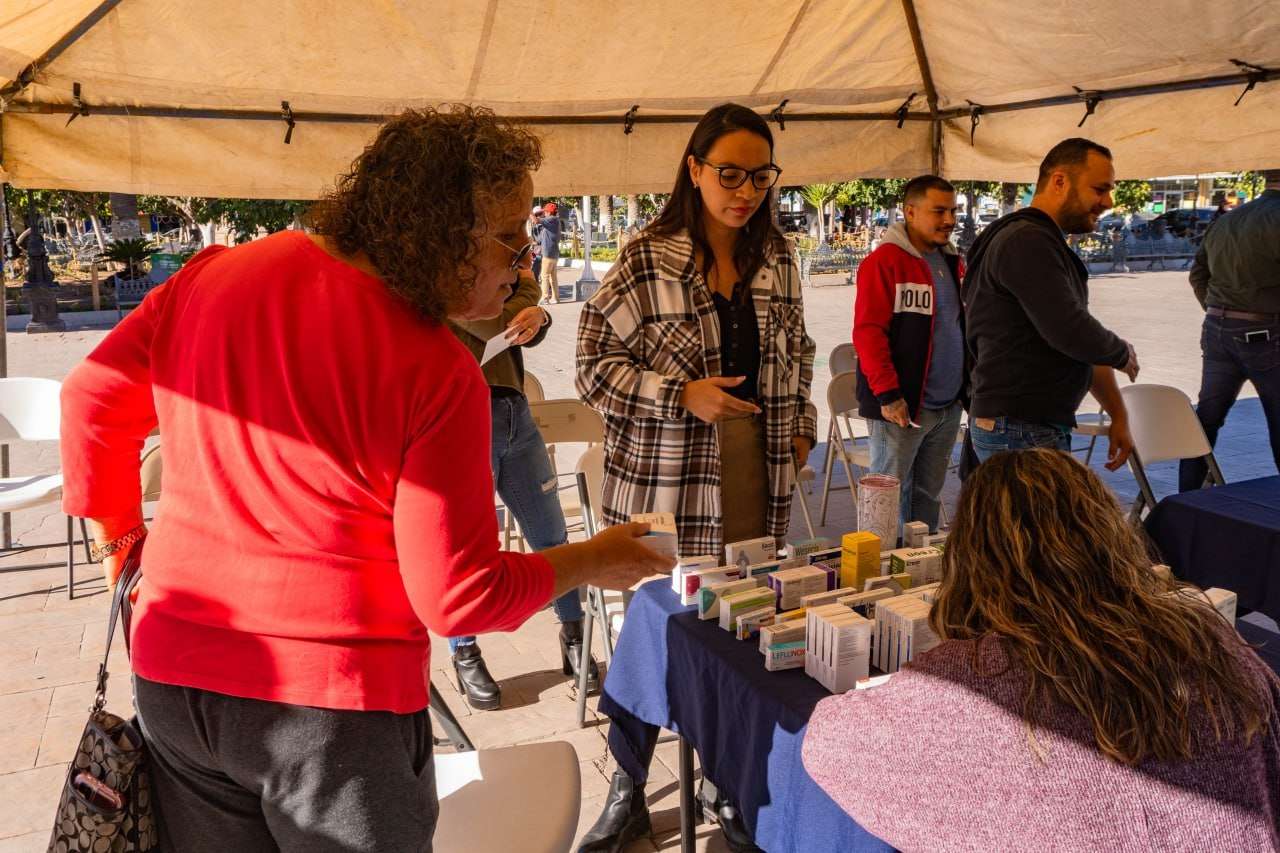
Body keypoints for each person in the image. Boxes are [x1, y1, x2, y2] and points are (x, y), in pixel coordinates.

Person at [58, 105, 673, 853]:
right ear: (443, 230)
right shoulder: (437, 369)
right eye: (512, 236)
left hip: (176, 681)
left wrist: (121, 540)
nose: (524, 259)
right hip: (331, 718)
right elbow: (459, 597)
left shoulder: (209, 279)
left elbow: (90, 400)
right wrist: (593, 557)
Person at [803, 448, 1280, 850]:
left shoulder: (970, 677)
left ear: (968, 556)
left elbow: (825, 741)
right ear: (1109, 535)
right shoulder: (1207, 637)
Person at [575, 102, 816, 852]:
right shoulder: (648, 257)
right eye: (730, 173)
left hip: (756, 475)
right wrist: (680, 393)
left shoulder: (777, 256)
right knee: (657, 632)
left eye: (760, 175)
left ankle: (729, 777)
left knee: (738, 634)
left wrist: (803, 422)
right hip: (667, 481)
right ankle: (628, 786)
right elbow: (592, 368)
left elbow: (801, 349)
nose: (745, 190)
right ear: (695, 170)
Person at [444, 262, 600, 709]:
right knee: (467, 545)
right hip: (464, 416)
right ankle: (464, 650)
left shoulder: (497, 255)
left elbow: (512, 301)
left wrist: (537, 315)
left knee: (552, 535)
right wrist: (528, 302)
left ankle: (574, 632)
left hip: (516, 410)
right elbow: (472, 315)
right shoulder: (435, 259)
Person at [963, 137, 1138, 468]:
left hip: (1027, 425)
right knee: (1039, 521)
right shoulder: (1026, 241)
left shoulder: (1037, 240)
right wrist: (1120, 351)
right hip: (1020, 427)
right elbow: (1070, 329)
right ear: (1059, 181)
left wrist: (1118, 413)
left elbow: (1079, 341)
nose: (1109, 201)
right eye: (1100, 189)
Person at [853, 175, 964, 539]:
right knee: (886, 497)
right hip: (901, 407)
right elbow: (868, 333)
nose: (949, 219)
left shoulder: (951, 262)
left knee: (927, 495)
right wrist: (888, 394)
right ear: (910, 212)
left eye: (952, 210)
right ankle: (876, 570)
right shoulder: (884, 263)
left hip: (947, 406)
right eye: (939, 211)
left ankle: (918, 567)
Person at [1180, 169, 1280, 492]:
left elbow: (1198, 276)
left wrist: (1220, 310)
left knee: (1206, 418)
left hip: (1218, 330)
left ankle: (1187, 497)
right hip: (1265, 333)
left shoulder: (1228, 220)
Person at [537, 200, 561, 303]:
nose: (544, 213)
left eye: (545, 211)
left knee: (544, 276)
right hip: (554, 254)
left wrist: (528, 212)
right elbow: (542, 238)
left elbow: (536, 220)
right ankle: (556, 298)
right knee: (553, 277)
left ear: (549, 212)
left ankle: (545, 297)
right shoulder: (555, 221)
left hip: (548, 253)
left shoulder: (551, 219)